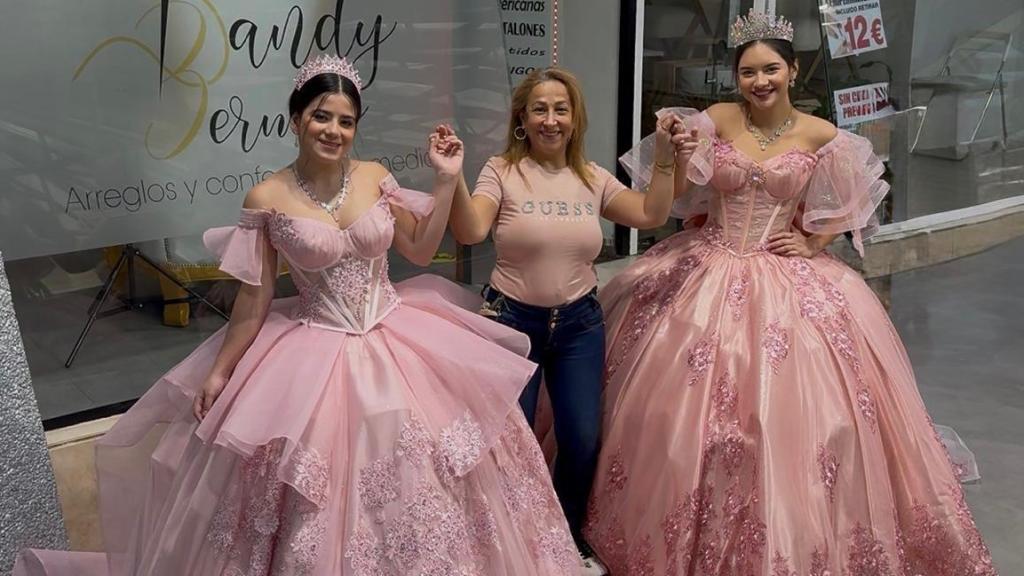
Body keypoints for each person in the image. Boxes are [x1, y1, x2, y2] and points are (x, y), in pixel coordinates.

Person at [15, 55, 578, 576]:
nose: (334, 130)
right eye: (321, 117)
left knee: (431, 481)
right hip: (316, 351)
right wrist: (221, 370)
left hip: (396, 336)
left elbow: (418, 252)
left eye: (346, 121)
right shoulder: (268, 197)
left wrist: (446, 178)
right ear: (296, 118)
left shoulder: (375, 176)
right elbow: (253, 300)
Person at [583, 10, 998, 575]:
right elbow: (678, 191)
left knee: (805, 411)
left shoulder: (820, 133)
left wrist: (813, 238)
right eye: (749, 71)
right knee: (673, 402)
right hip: (710, 260)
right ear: (736, 76)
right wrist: (672, 154)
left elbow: (862, 195)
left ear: (793, 69)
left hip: (786, 274)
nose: (760, 82)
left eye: (771, 69)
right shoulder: (717, 119)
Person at [447, 66, 697, 574]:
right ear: (522, 117)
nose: (550, 119)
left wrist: (667, 162)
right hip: (511, 322)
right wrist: (450, 177)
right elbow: (471, 229)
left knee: (581, 437)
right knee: (509, 439)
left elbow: (650, 214)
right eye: (539, 108)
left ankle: (566, 536)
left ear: (574, 118)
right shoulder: (501, 170)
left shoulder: (592, 177)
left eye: (560, 109)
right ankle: (513, 541)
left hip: (580, 324)